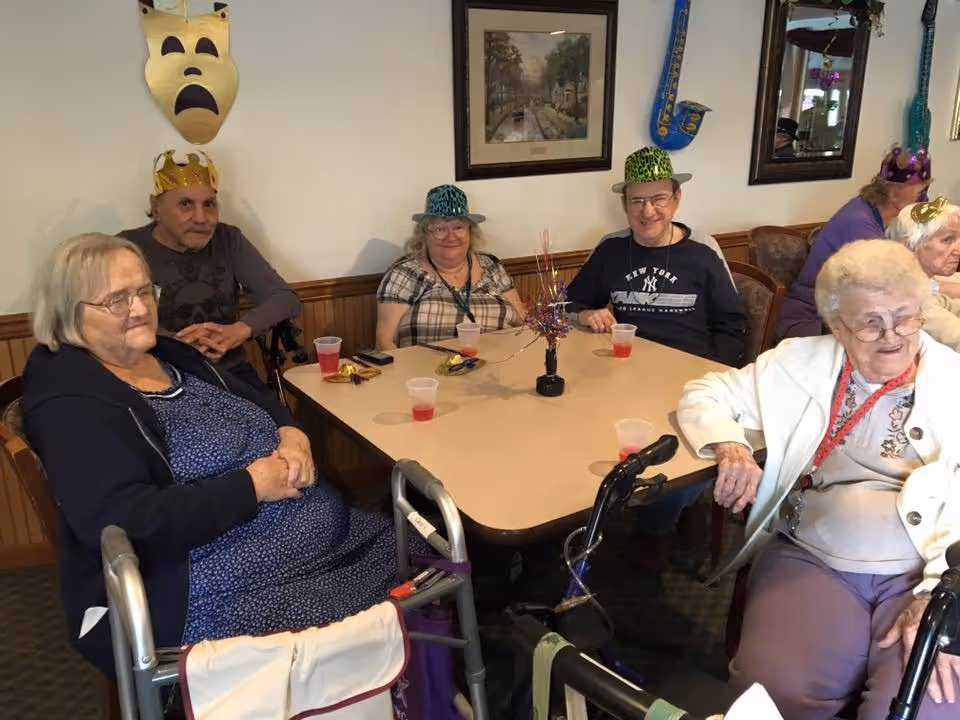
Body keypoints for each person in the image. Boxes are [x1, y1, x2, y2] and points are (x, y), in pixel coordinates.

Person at [22, 233, 420, 675]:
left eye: (142, 291)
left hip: (320, 539)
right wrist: (253, 486)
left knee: (429, 546)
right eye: (116, 299)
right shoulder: (72, 400)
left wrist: (291, 432)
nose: (138, 308)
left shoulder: (164, 350)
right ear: (67, 312)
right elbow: (125, 519)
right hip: (207, 589)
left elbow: (249, 393)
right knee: (421, 582)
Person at [677, 239, 960, 719]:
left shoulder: (953, 379)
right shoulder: (798, 362)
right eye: (869, 322)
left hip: (929, 574)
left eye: (904, 316)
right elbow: (705, 392)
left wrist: (948, 604)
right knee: (772, 697)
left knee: (929, 706)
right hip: (812, 557)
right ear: (835, 323)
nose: (891, 334)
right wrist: (732, 446)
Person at [119, 150, 301, 390]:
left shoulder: (228, 239)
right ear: (156, 207)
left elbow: (285, 299)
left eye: (209, 204)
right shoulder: (126, 249)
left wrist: (238, 331)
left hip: (230, 374)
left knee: (285, 427)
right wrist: (175, 345)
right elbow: (114, 321)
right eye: (185, 204)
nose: (201, 217)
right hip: (158, 378)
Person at [566, 146, 747, 368]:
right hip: (627, 368)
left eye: (658, 199)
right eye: (637, 201)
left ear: (676, 198)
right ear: (624, 204)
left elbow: (732, 325)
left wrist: (712, 375)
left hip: (692, 370)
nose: (648, 211)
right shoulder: (610, 249)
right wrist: (585, 314)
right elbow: (566, 304)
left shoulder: (704, 249)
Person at [777, 146, 932, 340]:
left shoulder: (868, 211)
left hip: (837, 317)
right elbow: (890, 286)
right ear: (893, 193)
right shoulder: (860, 224)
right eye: (920, 192)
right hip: (812, 322)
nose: (924, 198)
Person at [376, 184, 526, 349]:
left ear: (470, 232)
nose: (451, 236)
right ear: (425, 233)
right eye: (440, 228)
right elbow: (384, 343)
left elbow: (524, 325)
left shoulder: (491, 267)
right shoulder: (405, 273)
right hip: (426, 371)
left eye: (458, 227)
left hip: (499, 367)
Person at [888, 197, 960, 351]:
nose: (958, 250)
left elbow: (947, 303)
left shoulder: (916, 282)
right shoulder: (911, 299)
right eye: (948, 240)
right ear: (911, 245)